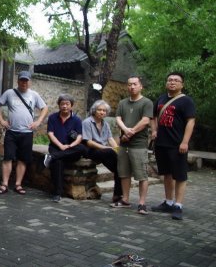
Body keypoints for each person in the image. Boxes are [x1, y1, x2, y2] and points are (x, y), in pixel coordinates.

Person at [150, 72, 195, 220]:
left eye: (176, 80)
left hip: (177, 144)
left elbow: (190, 121)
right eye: (169, 80)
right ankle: (168, 202)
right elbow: (153, 116)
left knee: (180, 175)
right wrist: (154, 130)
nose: (172, 82)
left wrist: (185, 142)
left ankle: (178, 205)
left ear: (182, 84)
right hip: (161, 144)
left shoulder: (186, 101)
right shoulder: (161, 99)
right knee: (167, 174)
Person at [0, 71, 48, 195]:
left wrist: (38, 121)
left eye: (26, 80)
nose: (24, 83)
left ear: (29, 82)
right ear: (18, 81)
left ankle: (18, 184)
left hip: (27, 132)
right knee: (7, 158)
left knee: (22, 159)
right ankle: (4, 184)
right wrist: (2, 120)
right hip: (11, 132)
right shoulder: (9, 93)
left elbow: (44, 108)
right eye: (22, 80)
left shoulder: (34, 95)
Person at [113, 76, 153, 215]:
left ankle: (142, 203)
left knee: (142, 175)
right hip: (124, 145)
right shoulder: (123, 103)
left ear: (141, 86)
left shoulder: (146, 102)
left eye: (135, 84)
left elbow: (145, 120)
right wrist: (125, 129)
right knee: (124, 173)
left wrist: (130, 133)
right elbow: (118, 118)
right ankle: (125, 199)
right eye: (129, 84)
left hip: (138, 144)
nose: (132, 87)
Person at [44, 94, 88, 202]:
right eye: (62, 104)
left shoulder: (77, 120)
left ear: (71, 106)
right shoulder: (53, 117)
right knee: (58, 162)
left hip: (70, 149)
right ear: (59, 105)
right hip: (56, 147)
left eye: (67, 104)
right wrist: (60, 146)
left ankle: (52, 157)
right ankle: (57, 193)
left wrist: (70, 146)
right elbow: (50, 134)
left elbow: (79, 136)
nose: (65, 106)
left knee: (82, 147)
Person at [82, 100, 122, 203]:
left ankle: (117, 195)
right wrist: (106, 148)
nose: (102, 112)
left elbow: (110, 139)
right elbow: (88, 142)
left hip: (103, 152)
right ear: (94, 110)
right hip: (90, 151)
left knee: (120, 168)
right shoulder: (87, 122)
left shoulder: (105, 124)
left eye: (104, 110)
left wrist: (118, 150)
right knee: (110, 153)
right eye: (99, 110)